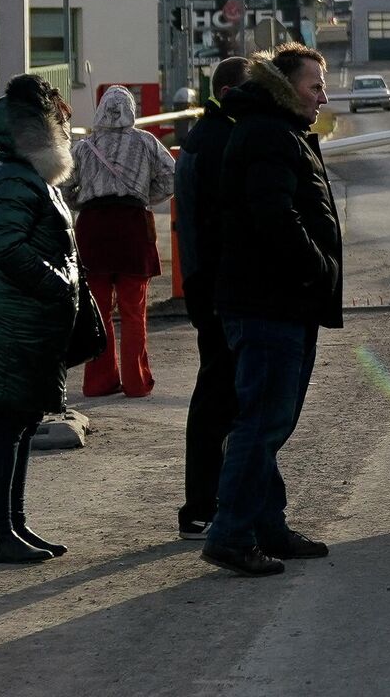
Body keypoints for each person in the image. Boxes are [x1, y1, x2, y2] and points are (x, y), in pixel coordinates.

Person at [204, 44, 342, 577]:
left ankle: (267, 526)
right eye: (315, 86)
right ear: (286, 86)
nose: (322, 96)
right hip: (269, 304)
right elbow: (275, 216)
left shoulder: (276, 129)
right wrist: (319, 268)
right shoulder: (267, 133)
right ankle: (231, 535)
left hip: (280, 302)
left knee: (268, 423)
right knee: (261, 423)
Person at [0, 75, 81, 567]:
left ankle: (14, 525)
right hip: (12, 320)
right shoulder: (12, 175)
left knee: (20, 426)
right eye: (59, 114)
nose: (67, 120)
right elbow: (10, 250)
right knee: (4, 428)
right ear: (40, 122)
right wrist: (60, 284)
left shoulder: (19, 170)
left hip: (20, 320)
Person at [173, 56, 248, 541]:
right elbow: (216, 226)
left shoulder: (208, 136)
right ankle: (202, 506)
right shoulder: (218, 140)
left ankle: (210, 501)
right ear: (226, 91)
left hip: (210, 287)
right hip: (218, 290)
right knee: (217, 398)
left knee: (219, 397)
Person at [66, 86, 176, 399]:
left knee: (97, 312)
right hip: (132, 228)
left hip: (94, 230)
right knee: (133, 311)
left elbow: (63, 184)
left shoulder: (84, 147)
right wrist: (145, 197)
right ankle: (136, 382)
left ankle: (99, 382)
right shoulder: (146, 142)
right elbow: (172, 176)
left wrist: (81, 203)